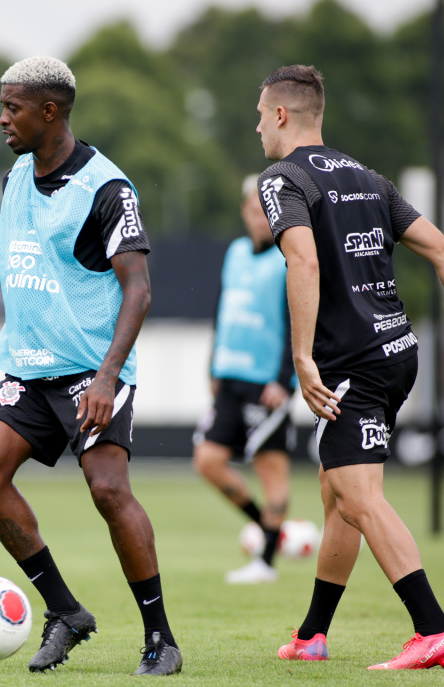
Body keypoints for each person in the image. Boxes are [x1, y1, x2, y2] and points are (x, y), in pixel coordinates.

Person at [254, 65, 444, 670]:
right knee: (338, 492)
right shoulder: (368, 179)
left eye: (261, 114)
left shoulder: (281, 179)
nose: (257, 125)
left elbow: (304, 265)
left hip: (354, 364)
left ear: (283, 115)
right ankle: (314, 633)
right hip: (399, 352)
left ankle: (434, 628)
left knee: (359, 496)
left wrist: (300, 357)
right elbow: (443, 250)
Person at [0, 56, 182, 676]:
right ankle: (65, 611)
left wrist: (110, 376)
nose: (2, 118)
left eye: (13, 108)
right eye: (2, 106)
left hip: (91, 368)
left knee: (109, 491)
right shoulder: (14, 178)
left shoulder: (108, 189)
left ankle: (160, 638)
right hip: (27, 366)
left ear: (49, 112)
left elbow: (137, 288)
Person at [192, 173, 295, 584]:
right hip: (229, 378)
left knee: (272, 471)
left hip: (266, 384)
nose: (260, 219)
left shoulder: (288, 258)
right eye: (254, 211)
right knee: (208, 461)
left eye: (266, 212)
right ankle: (270, 530)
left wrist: (284, 379)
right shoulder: (235, 252)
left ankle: (266, 561)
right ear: (244, 212)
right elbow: (224, 314)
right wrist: (213, 367)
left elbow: (297, 322)